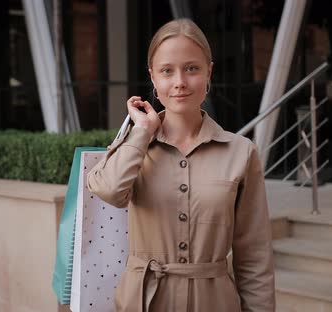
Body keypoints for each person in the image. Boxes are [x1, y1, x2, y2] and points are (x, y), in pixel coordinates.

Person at [87, 18, 274, 312]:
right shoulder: (134, 146)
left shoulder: (241, 153)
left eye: (191, 68)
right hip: (144, 303)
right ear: (153, 77)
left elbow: (254, 255)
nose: (179, 82)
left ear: (209, 72)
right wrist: (142, 133)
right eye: (166, 71)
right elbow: (110, 190)